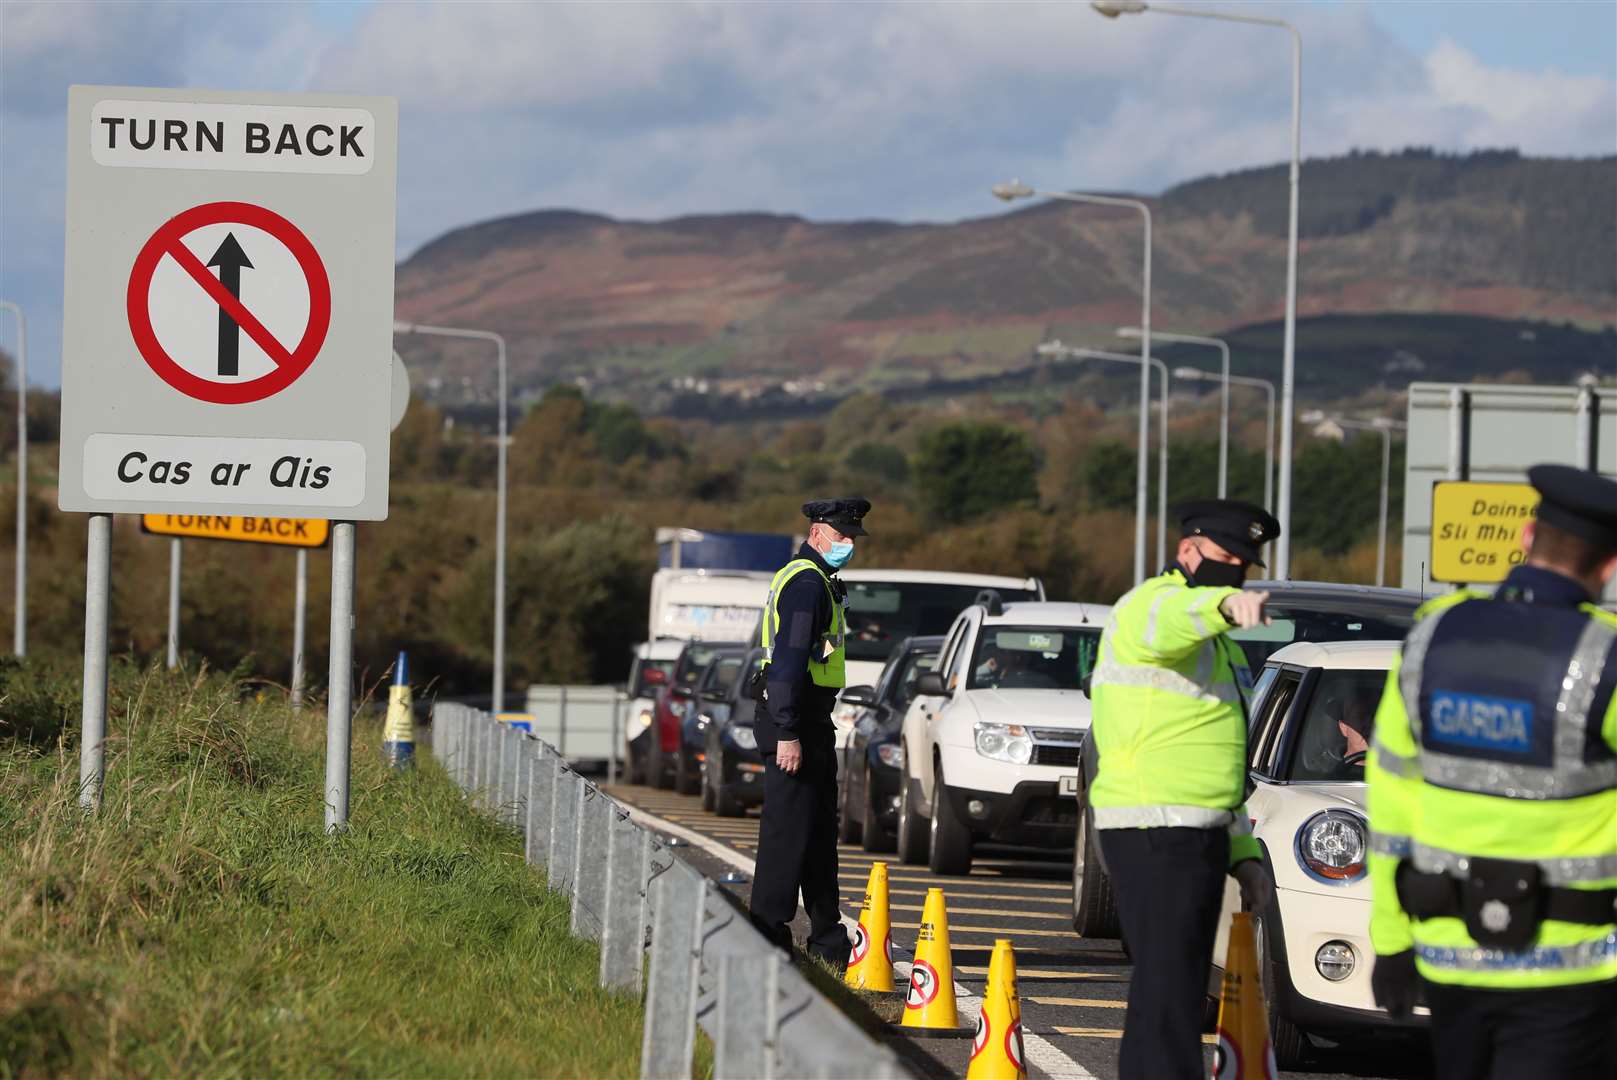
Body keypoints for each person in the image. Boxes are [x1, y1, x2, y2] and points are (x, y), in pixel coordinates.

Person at [1367, 464, 1617, 1080]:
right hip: (1573, 970)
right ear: (1609, 567)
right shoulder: (1604, 658)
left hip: (1450, 958)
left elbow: (1391, 800)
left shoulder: (1433, 637)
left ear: (1527, 538)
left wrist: (1392, 941)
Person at [1088, 498, 1281, 1080]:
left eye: (1244, 566)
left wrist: (1243, 852)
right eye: (1226, 559)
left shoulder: (1217, 646)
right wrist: (1224, 602)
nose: (1237, 572)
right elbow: (1175, 618)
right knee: (1170, 983)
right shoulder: (1149, 606)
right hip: (1152, 827)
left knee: (1175, 983)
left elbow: (1218, 765)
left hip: (1193, 831)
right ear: (1187, 550)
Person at [748, 496, 870, 967]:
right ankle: (767, 937)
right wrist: (787, 733)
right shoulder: (806, 584)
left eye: (852, 538)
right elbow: (789, 663)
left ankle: (827, 941)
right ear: (817, 533)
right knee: (787, 836)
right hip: (794, 721)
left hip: (812, 721)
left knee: (818, 835)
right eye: (841, 536)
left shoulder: (819, 579)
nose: (849, 545)